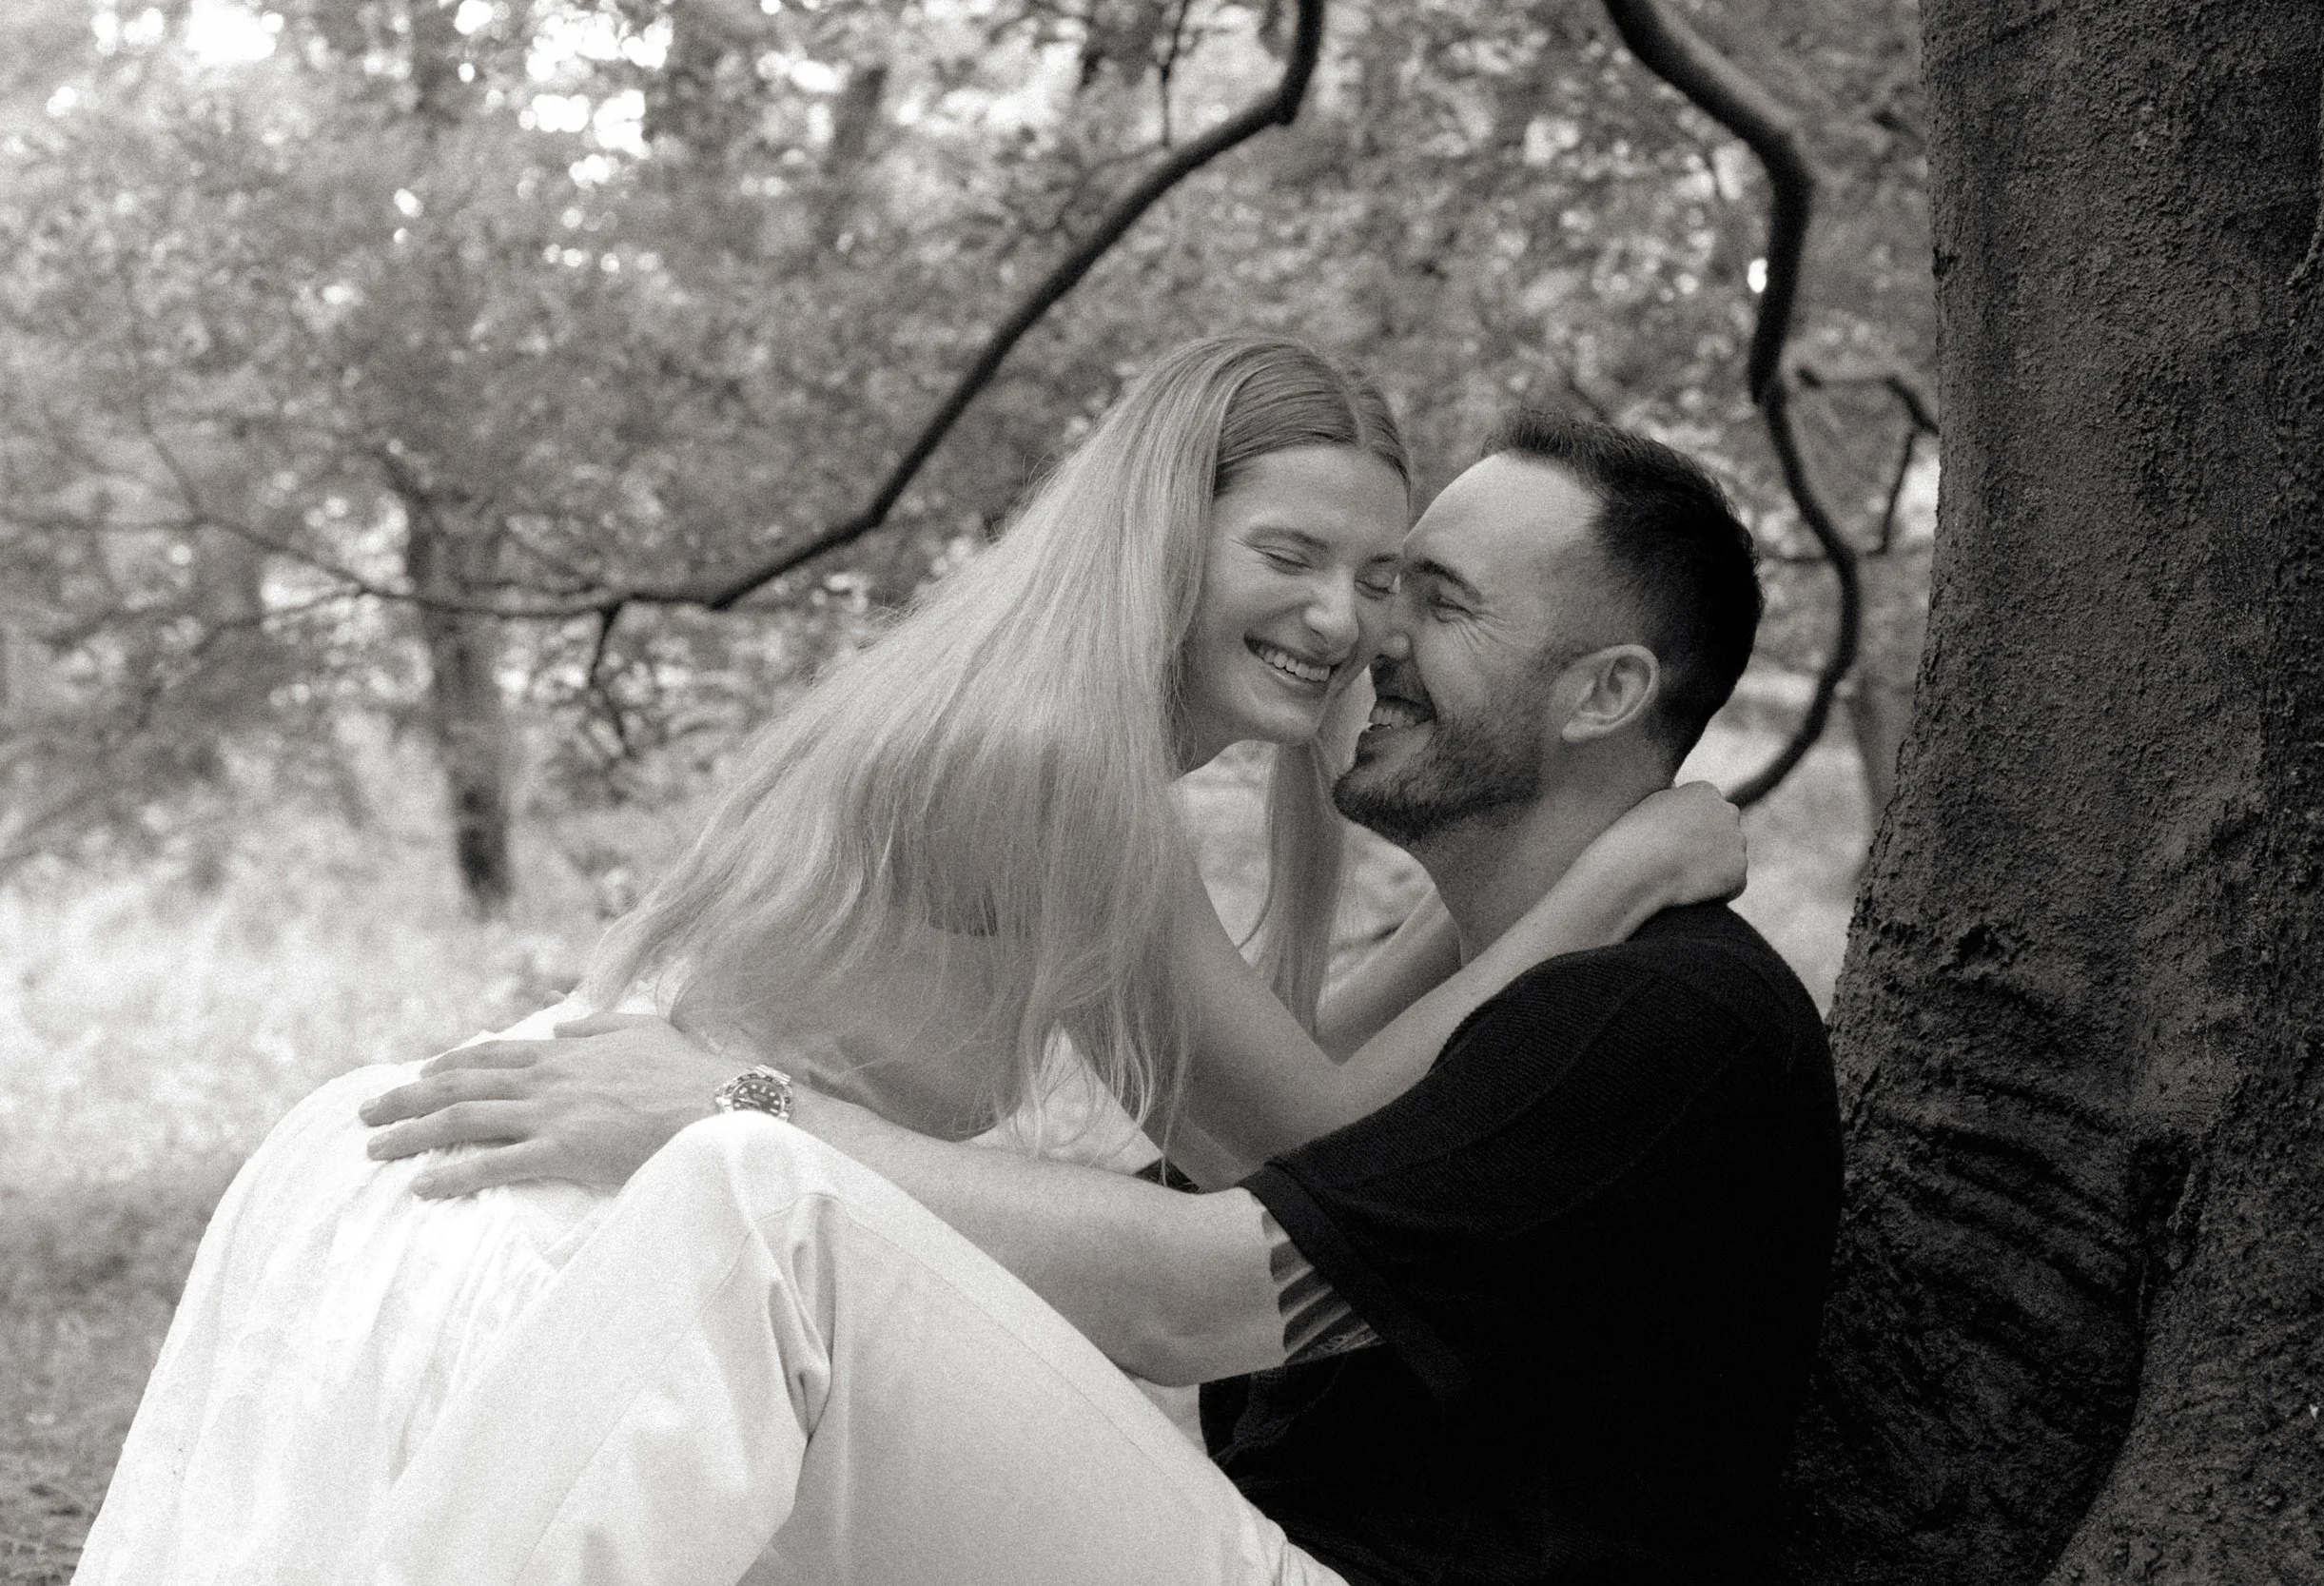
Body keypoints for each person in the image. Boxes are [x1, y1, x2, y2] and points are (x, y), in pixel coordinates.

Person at [73, 346, 1738, 1583]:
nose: (1346, 619)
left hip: (604, 1171)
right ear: (1170, 529)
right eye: (1289, 553)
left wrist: (1494, 902)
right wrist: (1602, 881)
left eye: (1382, 578)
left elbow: (1275, 1090)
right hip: (617, 1221)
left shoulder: (1046, 726)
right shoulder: (1055, 766)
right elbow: (1303, 1138)